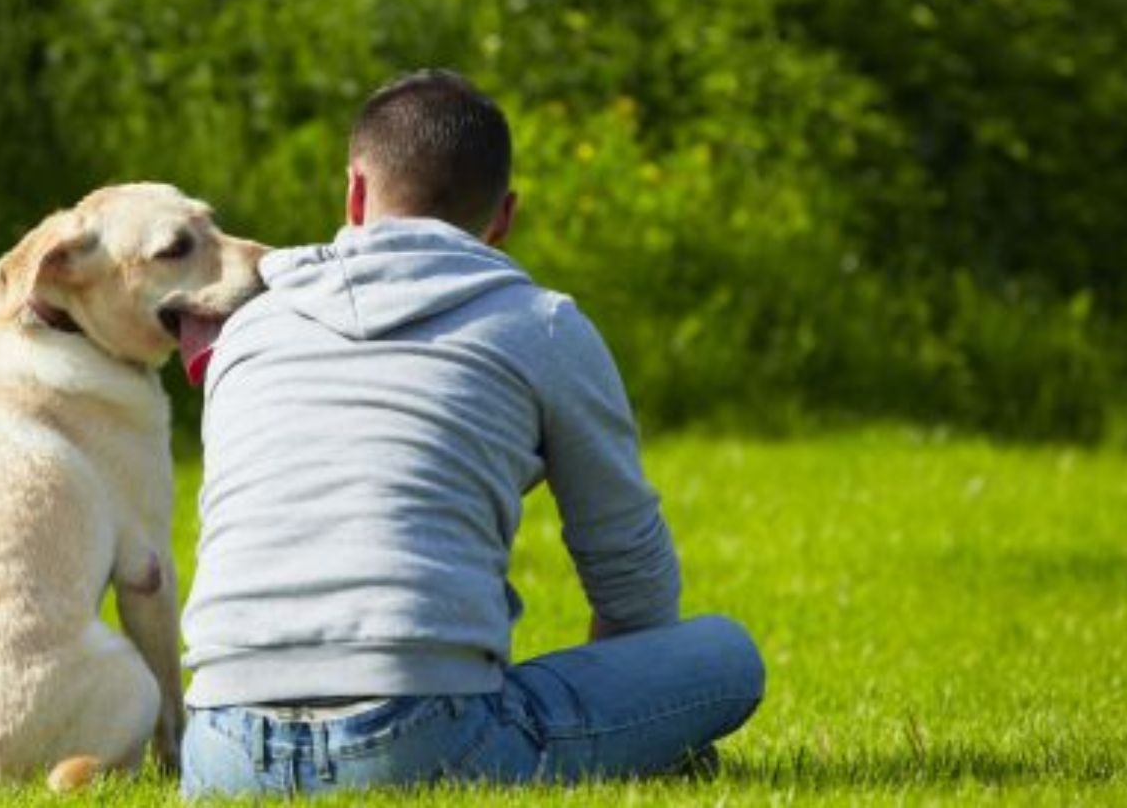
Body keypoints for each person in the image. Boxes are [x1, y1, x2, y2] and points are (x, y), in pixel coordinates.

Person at [179, 70, 764, 796]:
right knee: (728, 657)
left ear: (356, 194)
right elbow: (631, 577)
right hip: (421, 739)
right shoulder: (540, 325)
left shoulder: (249, 329)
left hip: (219, 751)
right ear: (504, 216)